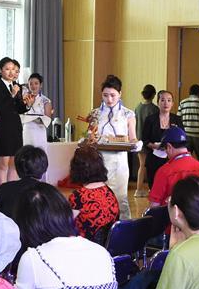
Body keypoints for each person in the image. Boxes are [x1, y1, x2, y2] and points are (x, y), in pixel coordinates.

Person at [88, 74, 137, 219]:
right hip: (99, 160)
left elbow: (133, 137)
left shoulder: (128, 114)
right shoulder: (95, 113)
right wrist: (90, 138)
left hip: (119, 161)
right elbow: (91, 135)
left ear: (120, 94)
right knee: (98, 197)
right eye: (105, 95)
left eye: (113, 95)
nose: (109, 99)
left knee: (120, 198)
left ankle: (123, 229)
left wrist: (135, 144)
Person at [68, 144, 120, 243]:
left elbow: (64, 225)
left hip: (85, 249)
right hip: (108, 247)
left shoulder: (78, 197)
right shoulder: (109, 192)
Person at [148, 126, 199, 209]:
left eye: (165, 149)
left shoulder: (164, 171)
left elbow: (154, 206)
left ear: (169, 146)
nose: (166, 153)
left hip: (171, 220)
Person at [0, 57, 27, 186]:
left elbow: (20, 109)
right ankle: (2, 192)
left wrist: (27, 103)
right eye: (7, 69)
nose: (11, 72)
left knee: (14, 162)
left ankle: (11, 190)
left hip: (16, 127)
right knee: (3, 163)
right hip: (4, 127)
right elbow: (1, 107)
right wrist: (12, 94)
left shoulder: (17, 87)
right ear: (1, 71)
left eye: (13, 69)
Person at [0, 145, 50, 222]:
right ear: (44, 168)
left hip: (9, 232)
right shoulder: (50, 191)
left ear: (17, 167)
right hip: (39, 233)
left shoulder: (4, 188)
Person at [142, 90, 184, 187]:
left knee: (171, 188)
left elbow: (183, 139)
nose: (166, 103)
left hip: (172, 159)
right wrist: (155, 146)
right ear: (158, 103)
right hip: (154, 158)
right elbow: (144, 140)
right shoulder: (150, 119)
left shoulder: (177, 119)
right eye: (163, 100)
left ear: (172, 103)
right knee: (154, 187)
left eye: (169, 100)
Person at [133, 84, 159, 197]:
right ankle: (147, 189)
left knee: (142, 165)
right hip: (150, 141)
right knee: (151, 166)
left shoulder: (137, 107)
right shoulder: (154, 109)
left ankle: (139, 189)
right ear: (153, 95)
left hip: (139, 140)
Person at [179, 84, 199, 166]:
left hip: (185, 134)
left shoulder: (182, 102)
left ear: (189, 92)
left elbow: (179, 117)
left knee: (184, 158)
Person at [20, 72, 53, 150]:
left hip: (39, 131)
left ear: (40, 85)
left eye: (36, 83)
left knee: (39, 155)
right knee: (26, 154)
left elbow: (47, 120)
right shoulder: (23, 99)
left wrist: (33, 118)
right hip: (27, 131)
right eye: (31, 84)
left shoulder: (45, 101)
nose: (33, 86)